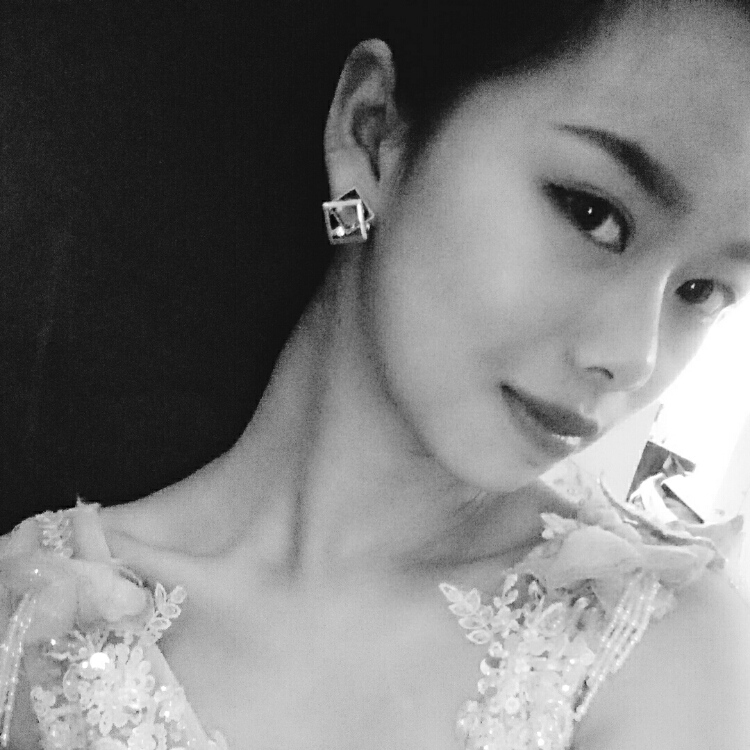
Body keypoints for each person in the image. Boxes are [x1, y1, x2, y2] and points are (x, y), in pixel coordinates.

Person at [1, 1, 750, 748]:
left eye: (702, 290)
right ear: (374, 132)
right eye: (592, 213)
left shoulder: (648, 643)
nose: (635, 355)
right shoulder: (35, 620)